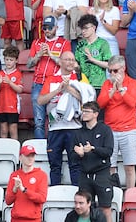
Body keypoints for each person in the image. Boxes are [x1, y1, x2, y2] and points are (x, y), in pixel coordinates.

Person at [36, 50, 90, 186]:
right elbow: (40, 101)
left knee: (76, 165)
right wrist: (58, 90)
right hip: (55, 127)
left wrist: (69, 89)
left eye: (73, 60)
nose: (71, 62)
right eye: (67, 59)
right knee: (54, 165)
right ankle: (55, 196)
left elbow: (87, 100)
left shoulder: (79, 77)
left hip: (75, 128)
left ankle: (77, 198)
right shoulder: (51, 78)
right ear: (60, 62)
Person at [97, 55, 136, 189]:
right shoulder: (106, 84)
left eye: (115, 71)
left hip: (129, 129)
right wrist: (111, 92)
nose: (112, 74)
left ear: (123, 69)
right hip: (111, 131)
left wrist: (121, 89)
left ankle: (130, 196)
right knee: (110, 166)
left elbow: (132, 103)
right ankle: (113, 194)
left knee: (129, 167)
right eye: (110, 71)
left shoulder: (133, 83)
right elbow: (99, 105)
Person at [27, 16, 70, 139]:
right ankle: (40, 149)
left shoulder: (64, 43)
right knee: (39, 121)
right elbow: (29, 64)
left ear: (56, 27)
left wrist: (51, 55)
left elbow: (66, 64)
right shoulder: (37, 42)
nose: (47, 30)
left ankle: (54, 147)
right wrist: (39, 54)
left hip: (55, 84)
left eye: (50, 27)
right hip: (38, 83)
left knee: (55, 118)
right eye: (44, 27)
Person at [72, 101, 114, 222]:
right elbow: (72, 156)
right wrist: (78, 154)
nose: (83, 114)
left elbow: (108, 151)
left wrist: (94, 149)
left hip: (102, 174)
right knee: (84, 209)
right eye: (83, 111)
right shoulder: (78, 133)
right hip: (85, 175)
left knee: (105, 208)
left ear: (95, 114)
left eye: (87, 111)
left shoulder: (105, 130)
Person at [4, 144, 48, 222]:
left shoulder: (41, 175)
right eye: (27, 156)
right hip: (16, 219)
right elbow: (8, 201)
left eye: (32, 156)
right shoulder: (14, 175)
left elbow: (42, 198)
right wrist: (14, 189)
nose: (30, 158)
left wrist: (24, 190)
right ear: (20, 158)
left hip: (33, 219)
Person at [74, 14, 111, 95]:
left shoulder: (103, 43)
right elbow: (77, 64)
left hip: (98, 85)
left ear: (94, 28)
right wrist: (76, 67)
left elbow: (108, 64)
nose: (83, 31)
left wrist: (92, 60)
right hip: (84, 84)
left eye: (86, 28)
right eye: (82, 28)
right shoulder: (80, 45)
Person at [0, 49, 24, 135]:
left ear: (16, 60)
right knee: (3, 129)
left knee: (13, 129)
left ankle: (14, 148)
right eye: (6, 59)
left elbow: (20, 90)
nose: (8, 62)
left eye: (11, 60)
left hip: (13, 106)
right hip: (2, 105)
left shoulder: (18, 74)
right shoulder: (0, 73)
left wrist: (10, 82)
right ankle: (3, 148)